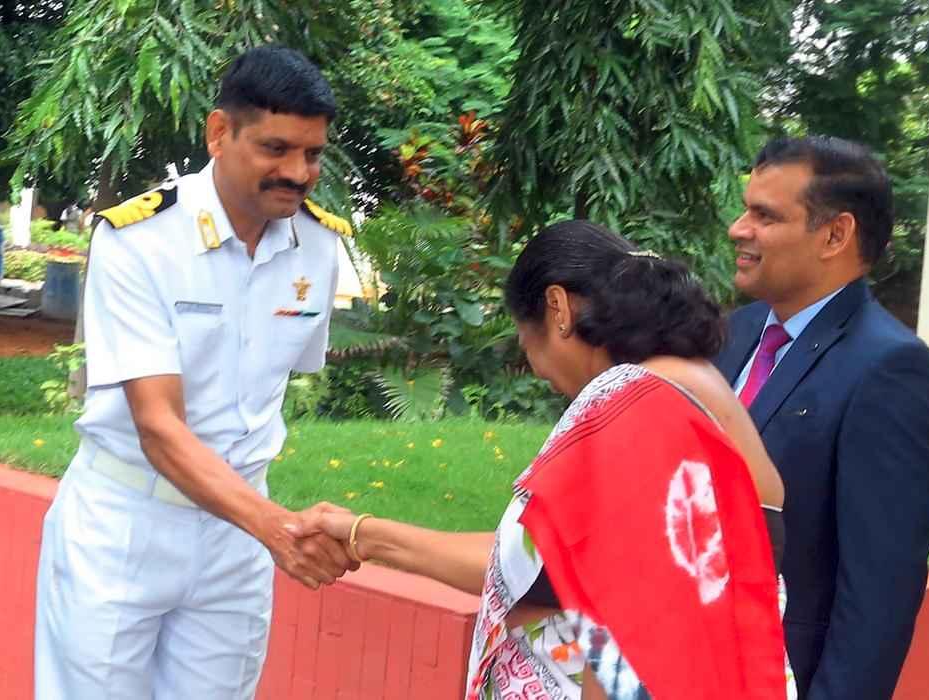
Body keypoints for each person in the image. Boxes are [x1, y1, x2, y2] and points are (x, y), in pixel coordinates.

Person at [294, 220, 791, 699]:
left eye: (523, 338)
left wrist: (364, 536)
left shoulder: (635, 400)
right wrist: (363, 535)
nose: (534, 368)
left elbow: (631, 632)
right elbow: (540, 564)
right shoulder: (686, 386)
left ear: (558, 308)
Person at [34, 46, 357, 699]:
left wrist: (259, 526)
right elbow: (158, 427)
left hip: (235, 542)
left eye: (312, 154)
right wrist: (276, 528)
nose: (298, 173)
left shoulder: (319, 247)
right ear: (218, 133)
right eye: (275, 149)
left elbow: (268, 389)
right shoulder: (140, 240)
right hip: (124, 525)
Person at [714, 136, 929, 699]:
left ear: (835, 235)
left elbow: (879, 594)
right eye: (746, 210)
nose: (738, 229)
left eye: (765, 215)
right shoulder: (731, 334)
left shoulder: (891, 369)